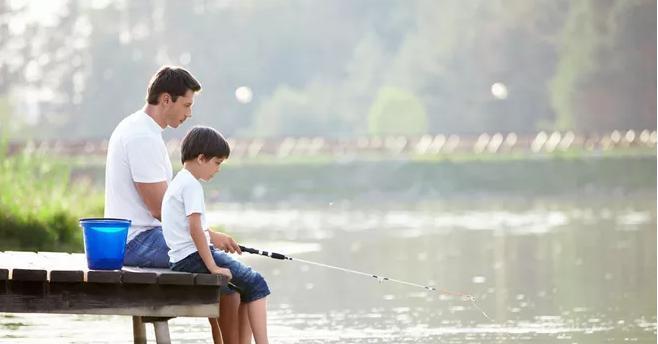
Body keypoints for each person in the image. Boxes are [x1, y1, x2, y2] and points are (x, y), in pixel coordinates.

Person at [104, 66, 243, 343]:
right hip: (137, 241)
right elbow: (160, 209)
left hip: (145, 236)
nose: (189, 113)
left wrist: (206, 236)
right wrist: (209, 236)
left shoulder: (141, 129)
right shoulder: (141, 136)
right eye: (186, 104)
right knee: (233, 279)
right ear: (166, 99)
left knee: (219, 267)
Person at [162, 126, 270, 344]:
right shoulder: (192, 186)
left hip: (180, 260)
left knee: (243, 287)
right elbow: (196, 230)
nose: (218, 169)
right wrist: (213, 266)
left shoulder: (178, 182)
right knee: (257, 284)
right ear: (201, 158)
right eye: (217, 163)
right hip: (192, 258)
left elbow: (192, 229)